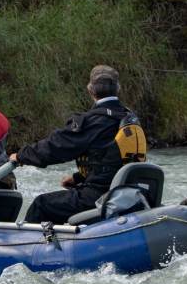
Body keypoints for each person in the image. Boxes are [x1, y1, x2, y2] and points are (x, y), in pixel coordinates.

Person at [9, 65, 146, 224]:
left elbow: (56, 147)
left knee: (41, 205)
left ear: (90, 91)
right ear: (117, 90)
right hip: (130, 194)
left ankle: (33, 247)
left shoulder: (93, 121)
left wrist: (21, 155)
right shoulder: (130, 118)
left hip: (101, 196)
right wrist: (78, 177)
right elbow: (113, 160)